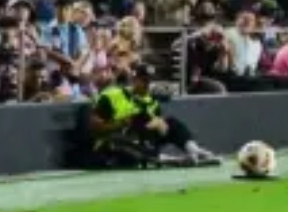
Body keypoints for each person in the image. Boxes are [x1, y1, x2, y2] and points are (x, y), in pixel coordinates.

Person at [86, 67, 218, 167]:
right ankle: (172, 160)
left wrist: (160, 125)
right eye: (144, 80)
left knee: (170, 122)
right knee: (136, 122)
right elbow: (93, 126)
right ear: (134, 79)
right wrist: (121, 123)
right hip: (113, 142)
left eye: (150, 80)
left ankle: (195, 151)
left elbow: (154, 127)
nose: (148, 84)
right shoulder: (112, 95)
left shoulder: (152, 101)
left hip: (144, 139)